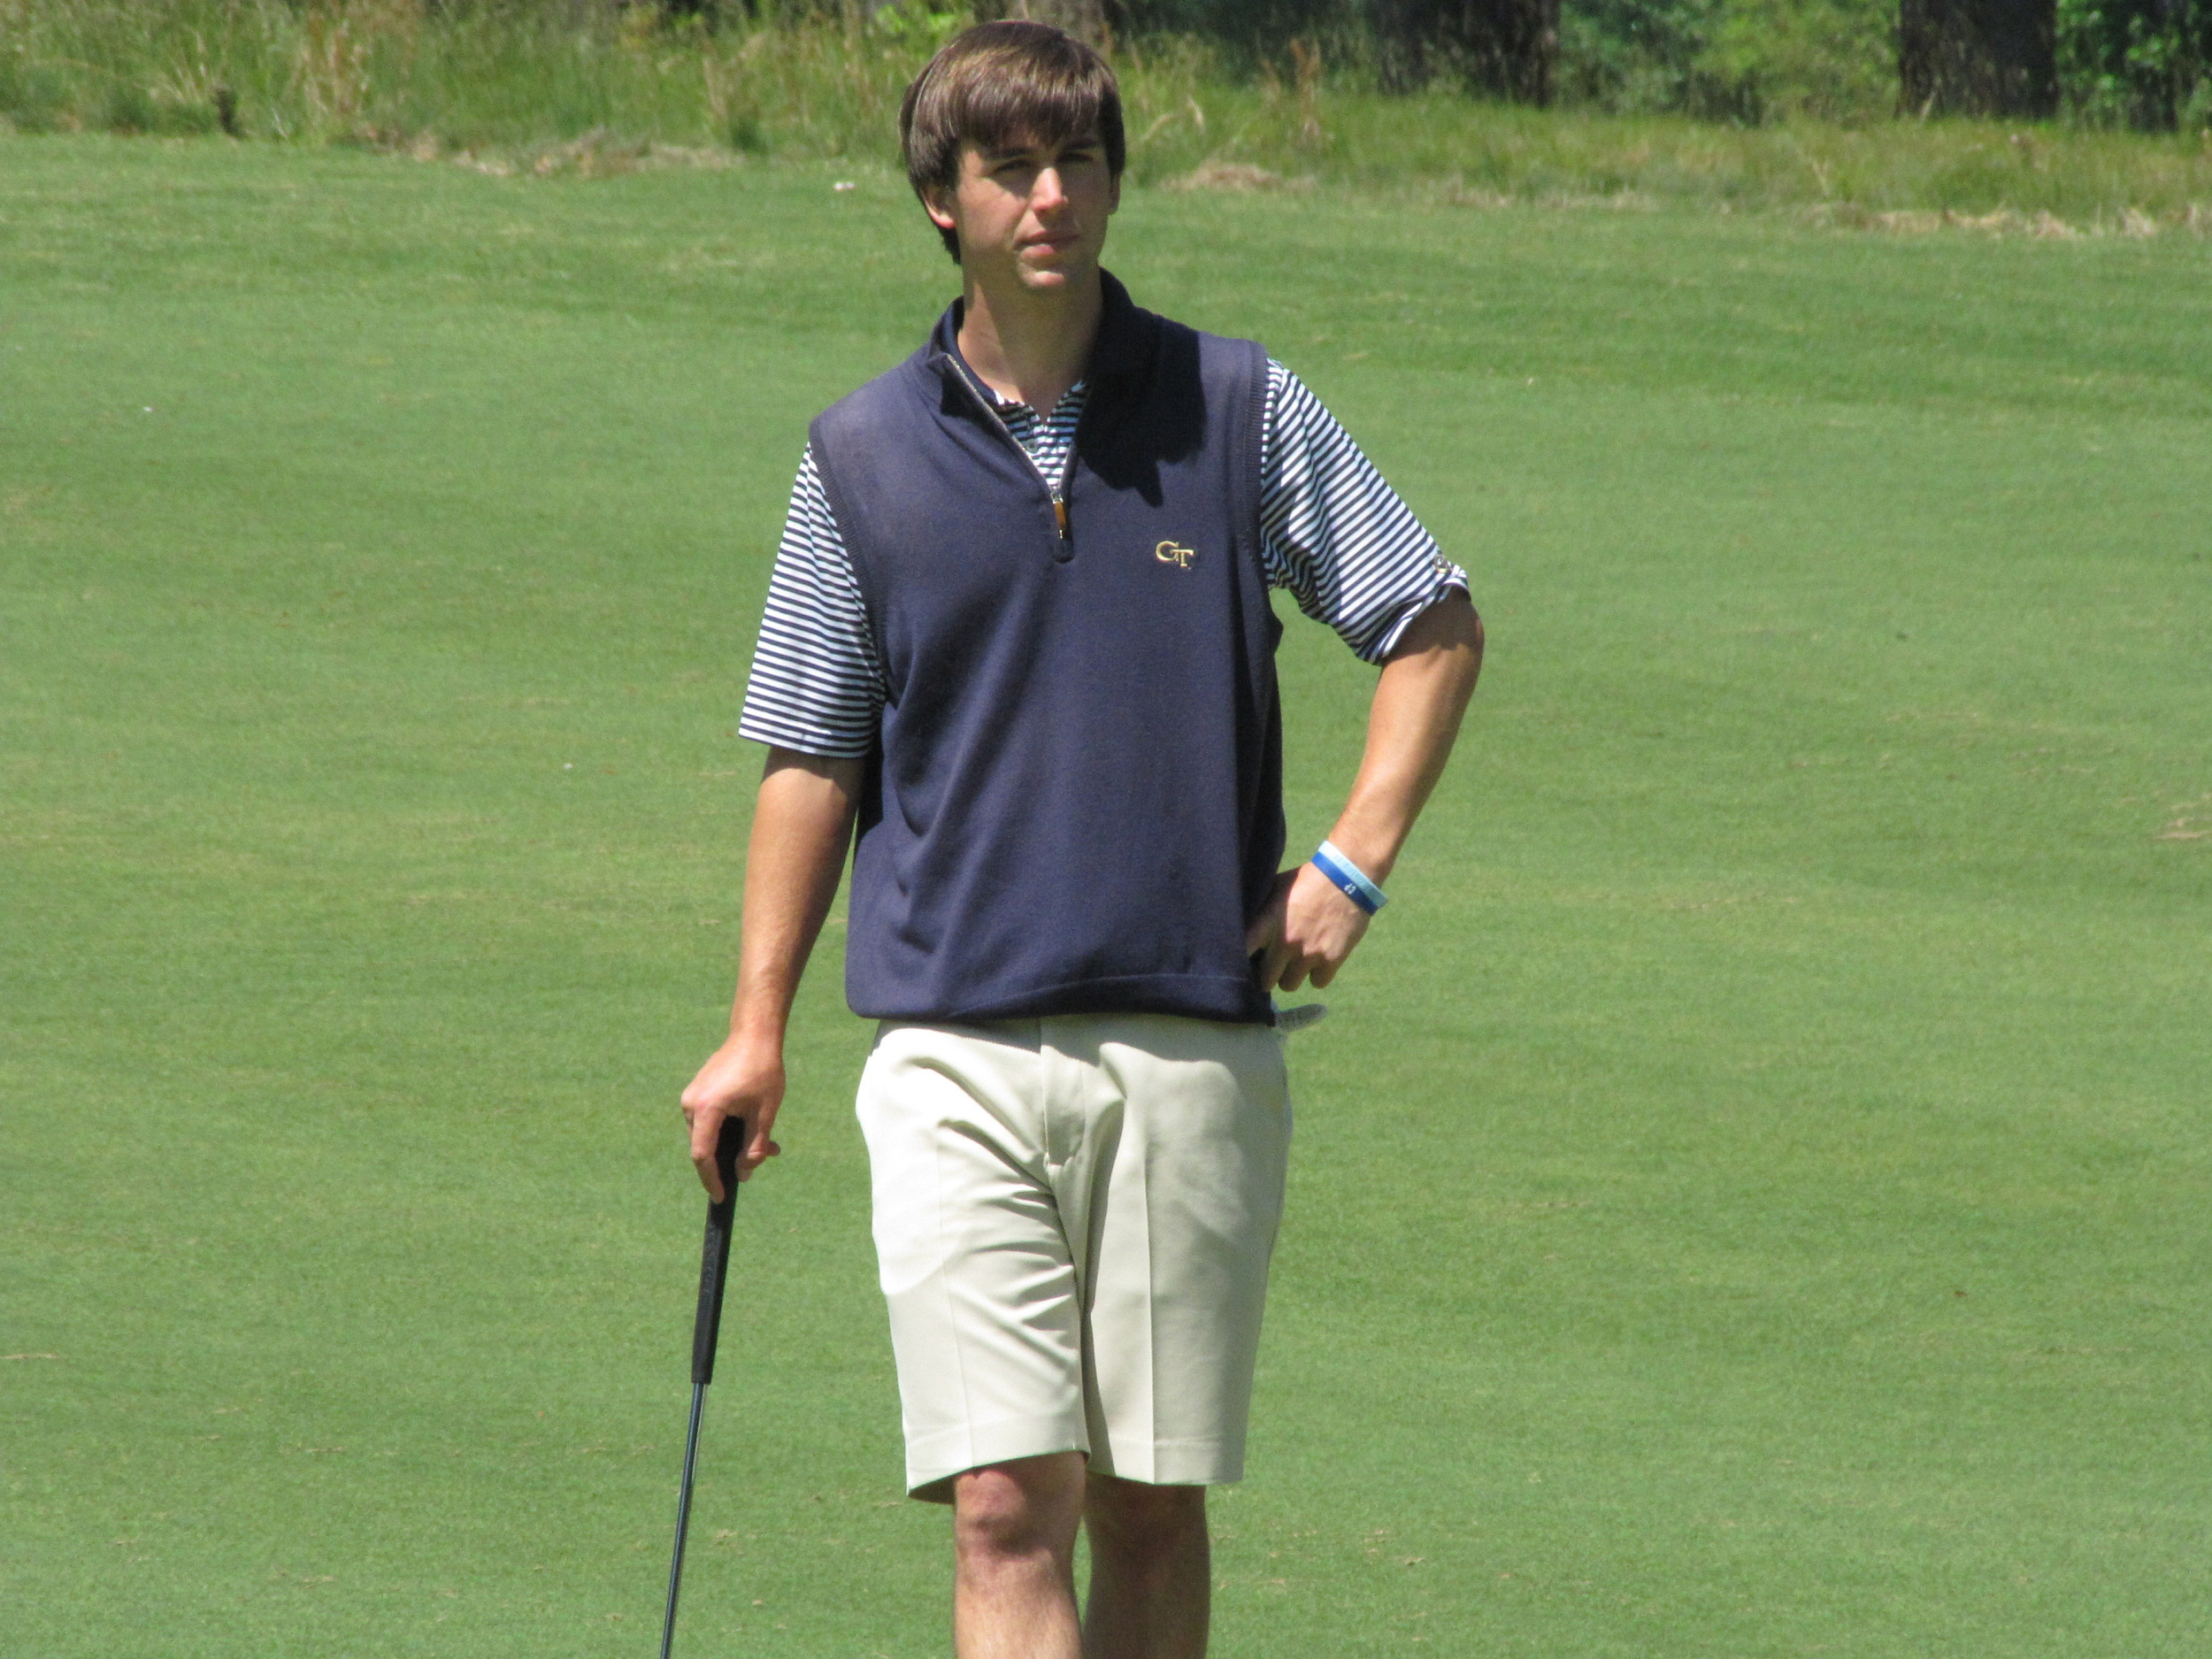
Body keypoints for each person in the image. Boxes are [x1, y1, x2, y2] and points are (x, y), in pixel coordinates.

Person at [680, 21, 1482, 1658]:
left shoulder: (1233, 405)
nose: (1052, 197)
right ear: (942, 202)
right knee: (1000, 1502)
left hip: (1184, 1046)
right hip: (950, 1044)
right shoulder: (860, 454)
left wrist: (1351, 861)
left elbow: (1433, 622)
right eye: (1011, 171)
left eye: (1080, 164)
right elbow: (813, 751)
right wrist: (754, 1027)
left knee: (1147, 1507)